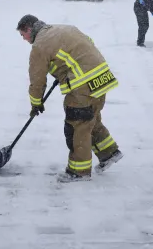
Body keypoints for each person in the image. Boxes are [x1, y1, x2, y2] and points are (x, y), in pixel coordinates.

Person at [16, 14, 123, 183]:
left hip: (83, 85)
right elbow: (85, 46)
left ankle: (78, 172)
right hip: (102, 78)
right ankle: (109, 153)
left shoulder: (39, 46)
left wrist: (36, 103)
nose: (24, 39)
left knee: (77, 126)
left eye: (23, 35)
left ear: (29, 29)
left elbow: (37, 79)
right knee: (90, 118)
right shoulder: (66, 28)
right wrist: (65, 71)